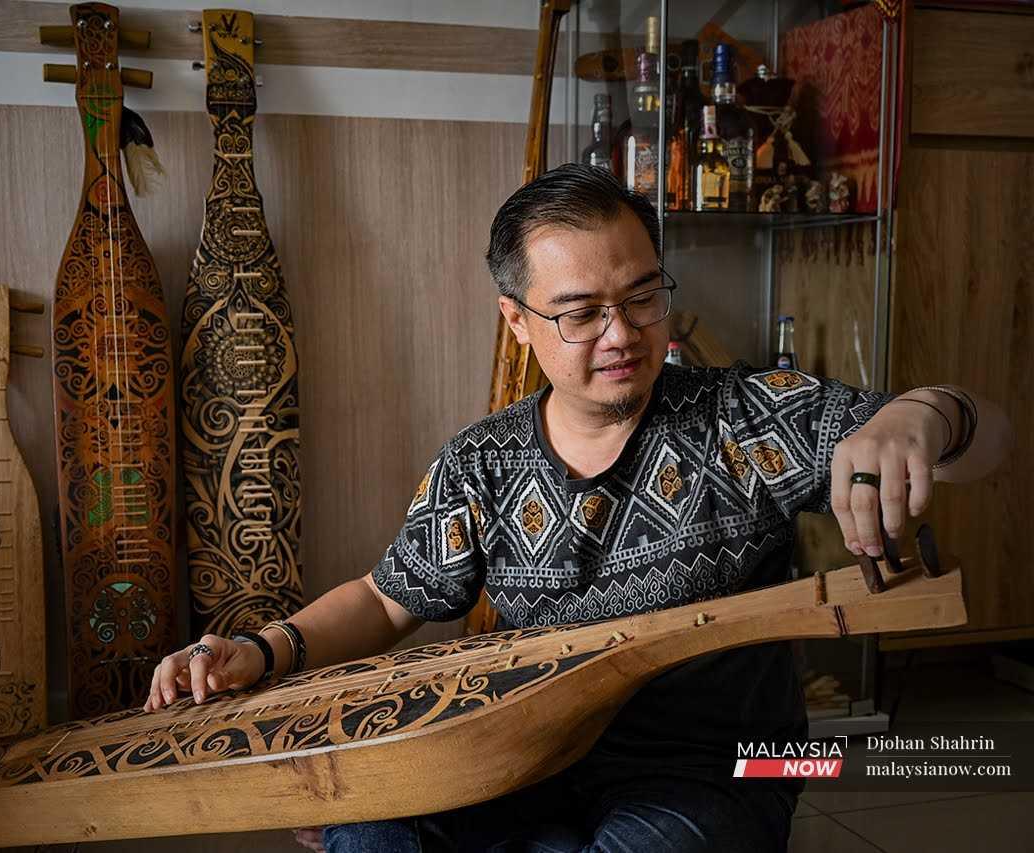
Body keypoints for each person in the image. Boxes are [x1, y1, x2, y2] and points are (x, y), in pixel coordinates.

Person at [144, 164, 1012, 852]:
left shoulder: (742, 419)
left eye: (643, 296)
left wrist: (924, 414)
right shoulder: (483, 461)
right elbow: (383, 599)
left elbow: (992, 439)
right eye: (580, 312)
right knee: (368, 829)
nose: (624, 333)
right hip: (523, 751)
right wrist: (258, 651)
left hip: (723, 764)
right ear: (516, 321)